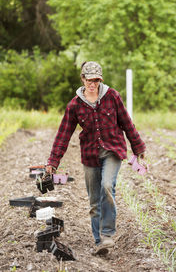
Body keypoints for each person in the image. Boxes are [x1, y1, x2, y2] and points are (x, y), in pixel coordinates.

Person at [46, 61, 146, 255]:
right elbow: (63, 135)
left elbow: (126, 122)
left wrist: (138, 147)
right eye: (89, 80)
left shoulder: (112, 96)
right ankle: (99, 241)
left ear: (100, 80)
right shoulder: (74, 105)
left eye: (96, 80)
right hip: (90, 154)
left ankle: (107, 235)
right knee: (94, 201)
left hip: (112, 150)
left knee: (107, 186)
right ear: (83, 79)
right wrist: (53, 162)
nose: (92, 84)